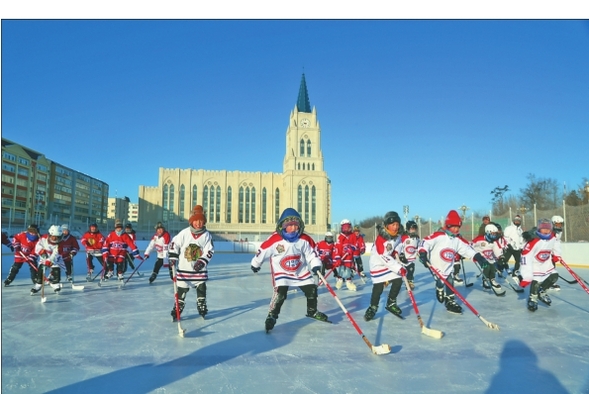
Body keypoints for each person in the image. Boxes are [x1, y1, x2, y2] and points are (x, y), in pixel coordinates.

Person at [250, 208, 328, 332]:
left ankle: (312, 311)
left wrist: (315, 264)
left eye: (295, 226)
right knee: (280, 295)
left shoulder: (304, 239)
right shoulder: (275, 240)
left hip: (300, 271)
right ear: (282, 226)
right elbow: (262, 251)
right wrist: (256, 263)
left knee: (312, 290)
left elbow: (312, 254)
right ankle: (272, 315)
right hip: (282, 272)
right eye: (288, 226)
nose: (292, 229)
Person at [418, 210, 491, 314]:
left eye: (458, 227)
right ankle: (439, 287)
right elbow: (425, 242)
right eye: (454, 226)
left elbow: (467, 250)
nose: (456, 229)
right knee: (441, 281)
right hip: (435, 266)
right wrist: (422, 253)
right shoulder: (439, 236)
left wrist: (479, 258)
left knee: (450, 282)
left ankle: (450, 301)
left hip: (448, 267)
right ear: (448, 225)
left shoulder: (457, 240)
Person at [168, 205, 214, 320]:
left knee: (201, 287)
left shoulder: (206, 235)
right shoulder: (184, 233)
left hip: (199, 270)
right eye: (196, 220)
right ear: (192, 221)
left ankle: (201, 305)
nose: (198, 223)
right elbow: (175, 244)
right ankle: (178, 307)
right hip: (184, 269)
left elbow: (210, 250)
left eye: (201, 220)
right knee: (181, 290)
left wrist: (203, 261)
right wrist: (173, 257)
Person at [363, 211, 406, 321]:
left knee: (398, 280)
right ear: (387, 225)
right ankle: (373, 307)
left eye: (397, 224)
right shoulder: (381, 239)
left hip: (389, 262)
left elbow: (399, 244)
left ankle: (391, 302)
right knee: (378, 288)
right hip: (378, 264)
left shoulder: (398, 235)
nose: (395, 227)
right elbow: (384, 257)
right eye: (393, 225)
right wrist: (398, 268)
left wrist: (398, 252)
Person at [519, 219, 561, 312]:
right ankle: (533, 298)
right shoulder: (533, 241)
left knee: (554, 276)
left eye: (548, 228)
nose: (546, 231)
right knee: (536, 281)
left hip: (546, 263)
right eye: (543, 229)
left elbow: (556, 243)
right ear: (539, 229)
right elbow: (525, 258)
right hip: (535, 264)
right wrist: (526, 276)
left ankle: (541, 291)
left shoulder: (552, 236)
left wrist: (557, 254)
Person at [470, 223, 505, 295]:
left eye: (495, 233)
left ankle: (492, 280)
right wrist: (472, 254)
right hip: (481, 257)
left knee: (493, 268)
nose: (494, 235)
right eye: (492, 233)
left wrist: (500, 257)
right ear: (488, 232)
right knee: (487, 267)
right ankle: (485, 280)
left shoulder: (494, 241)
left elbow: (497, 249)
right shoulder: (479, 239)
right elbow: (471, 245)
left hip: (490, 257)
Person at [31, 225, 66, 294]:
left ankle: (56, 283)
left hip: (55, 258)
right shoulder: (43, 238)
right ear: (49, 235)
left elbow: (56, 254)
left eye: (57, 237)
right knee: (41, 268)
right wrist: (41, 252)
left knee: (56, 269)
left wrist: (50, 260)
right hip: (44, 256)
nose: (54, 239)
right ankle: (39, 283)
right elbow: (37, 247)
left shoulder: (60, 244)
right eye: (53, 236)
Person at [333, 218, 358, 291]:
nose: (346, 229)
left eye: (348, 227)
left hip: (349, 257)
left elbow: (356, 244)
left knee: (348, 270)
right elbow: (337, 248)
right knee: (340, 270)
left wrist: (352, 248)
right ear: (342, 228)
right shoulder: (340, 237)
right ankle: (340, 280)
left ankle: (349, 282)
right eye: (344, 227)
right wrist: (337, 258)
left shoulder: (353, 235)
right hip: (342, 257)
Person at [398, 220, 420, 290]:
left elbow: (418, 247)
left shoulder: (417, 238)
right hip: (403, 259)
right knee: (398, 272)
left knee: (411, 270)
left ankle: (409, 282)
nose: (413, 230)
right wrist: (401, 254)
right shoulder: (404, 237)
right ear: (408, 229)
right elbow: (399, 246)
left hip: (411, 259)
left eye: (414, 229)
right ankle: (389, 280)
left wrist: (420, 252)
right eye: (411, 229)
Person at [503, 215, 525, 279]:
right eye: (516, 221)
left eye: (518, 221)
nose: (517, 222)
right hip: (510, 248)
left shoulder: (520, 230)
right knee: (504, 260)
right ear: (514, 221)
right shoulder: (509, 228)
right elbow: (505, 237)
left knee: (518, 261)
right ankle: (502, 269)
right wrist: (509, 244)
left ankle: (515, 272)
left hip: (517, 249)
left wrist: (521, 247)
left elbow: (521, 240)